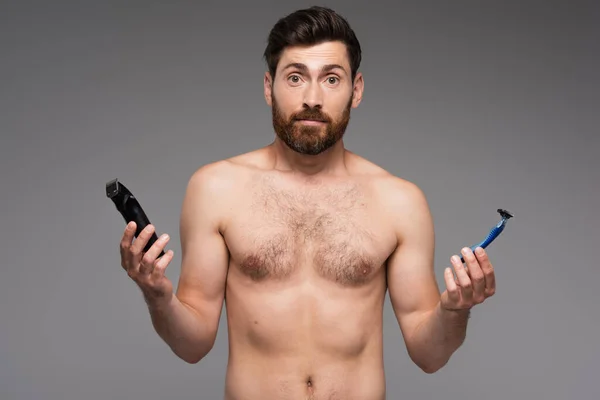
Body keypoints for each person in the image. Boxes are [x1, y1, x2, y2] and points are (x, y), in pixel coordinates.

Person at [119, 6, 497, 399]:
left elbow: (429, 354)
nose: (312, 98)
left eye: (331, 79)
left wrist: (455, 310)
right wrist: (157, 295)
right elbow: (192, 345)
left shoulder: (399, 201)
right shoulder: (216, 189)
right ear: (269, 87)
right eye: (295, 77)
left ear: (357, 88)